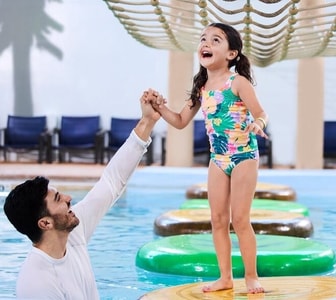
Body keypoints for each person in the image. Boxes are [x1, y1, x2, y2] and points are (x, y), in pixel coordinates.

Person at [3, 89, 162, 299]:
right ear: (45, 223)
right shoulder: (37, 284)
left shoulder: (72, 233)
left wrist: (147, 121)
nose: (69, 198)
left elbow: (112, 181)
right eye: (58, 199)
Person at [151, 22, 268, 294]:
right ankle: (225, 277)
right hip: (218, 159)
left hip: (243, 156)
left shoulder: (237, 82)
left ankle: (251, 276)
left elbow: (261, 113)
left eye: (216, 40)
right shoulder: (201, 86)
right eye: (204, 39)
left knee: (240, 219)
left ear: (231, 54)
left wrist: (258, 123)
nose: (206, 44)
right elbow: (180, 121)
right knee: (217, 220)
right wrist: (158, 106)